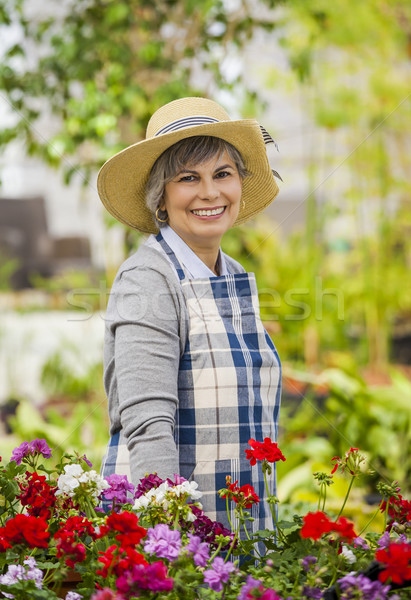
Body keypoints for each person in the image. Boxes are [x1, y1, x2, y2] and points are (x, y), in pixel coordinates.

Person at [97, 97, 282, 533]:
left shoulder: (232, 274)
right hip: (178, 539)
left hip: (239, 527)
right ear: (160, 196)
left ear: (239, 184)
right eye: (188, 178)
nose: (209, 192)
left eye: (223, 174)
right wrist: (171, 541)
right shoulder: (148, 278)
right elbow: (148, 426)